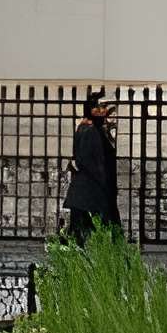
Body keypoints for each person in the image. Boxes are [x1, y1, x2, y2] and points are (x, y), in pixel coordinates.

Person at [64, 89, 122, 242]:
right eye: (100, 108)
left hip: (92, 191)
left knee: (87, 234)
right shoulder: (89, 130)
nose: (104, 112)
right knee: (89, 235)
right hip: (91, 191)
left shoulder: (92, 129)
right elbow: (88, 161)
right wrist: (103, 182)